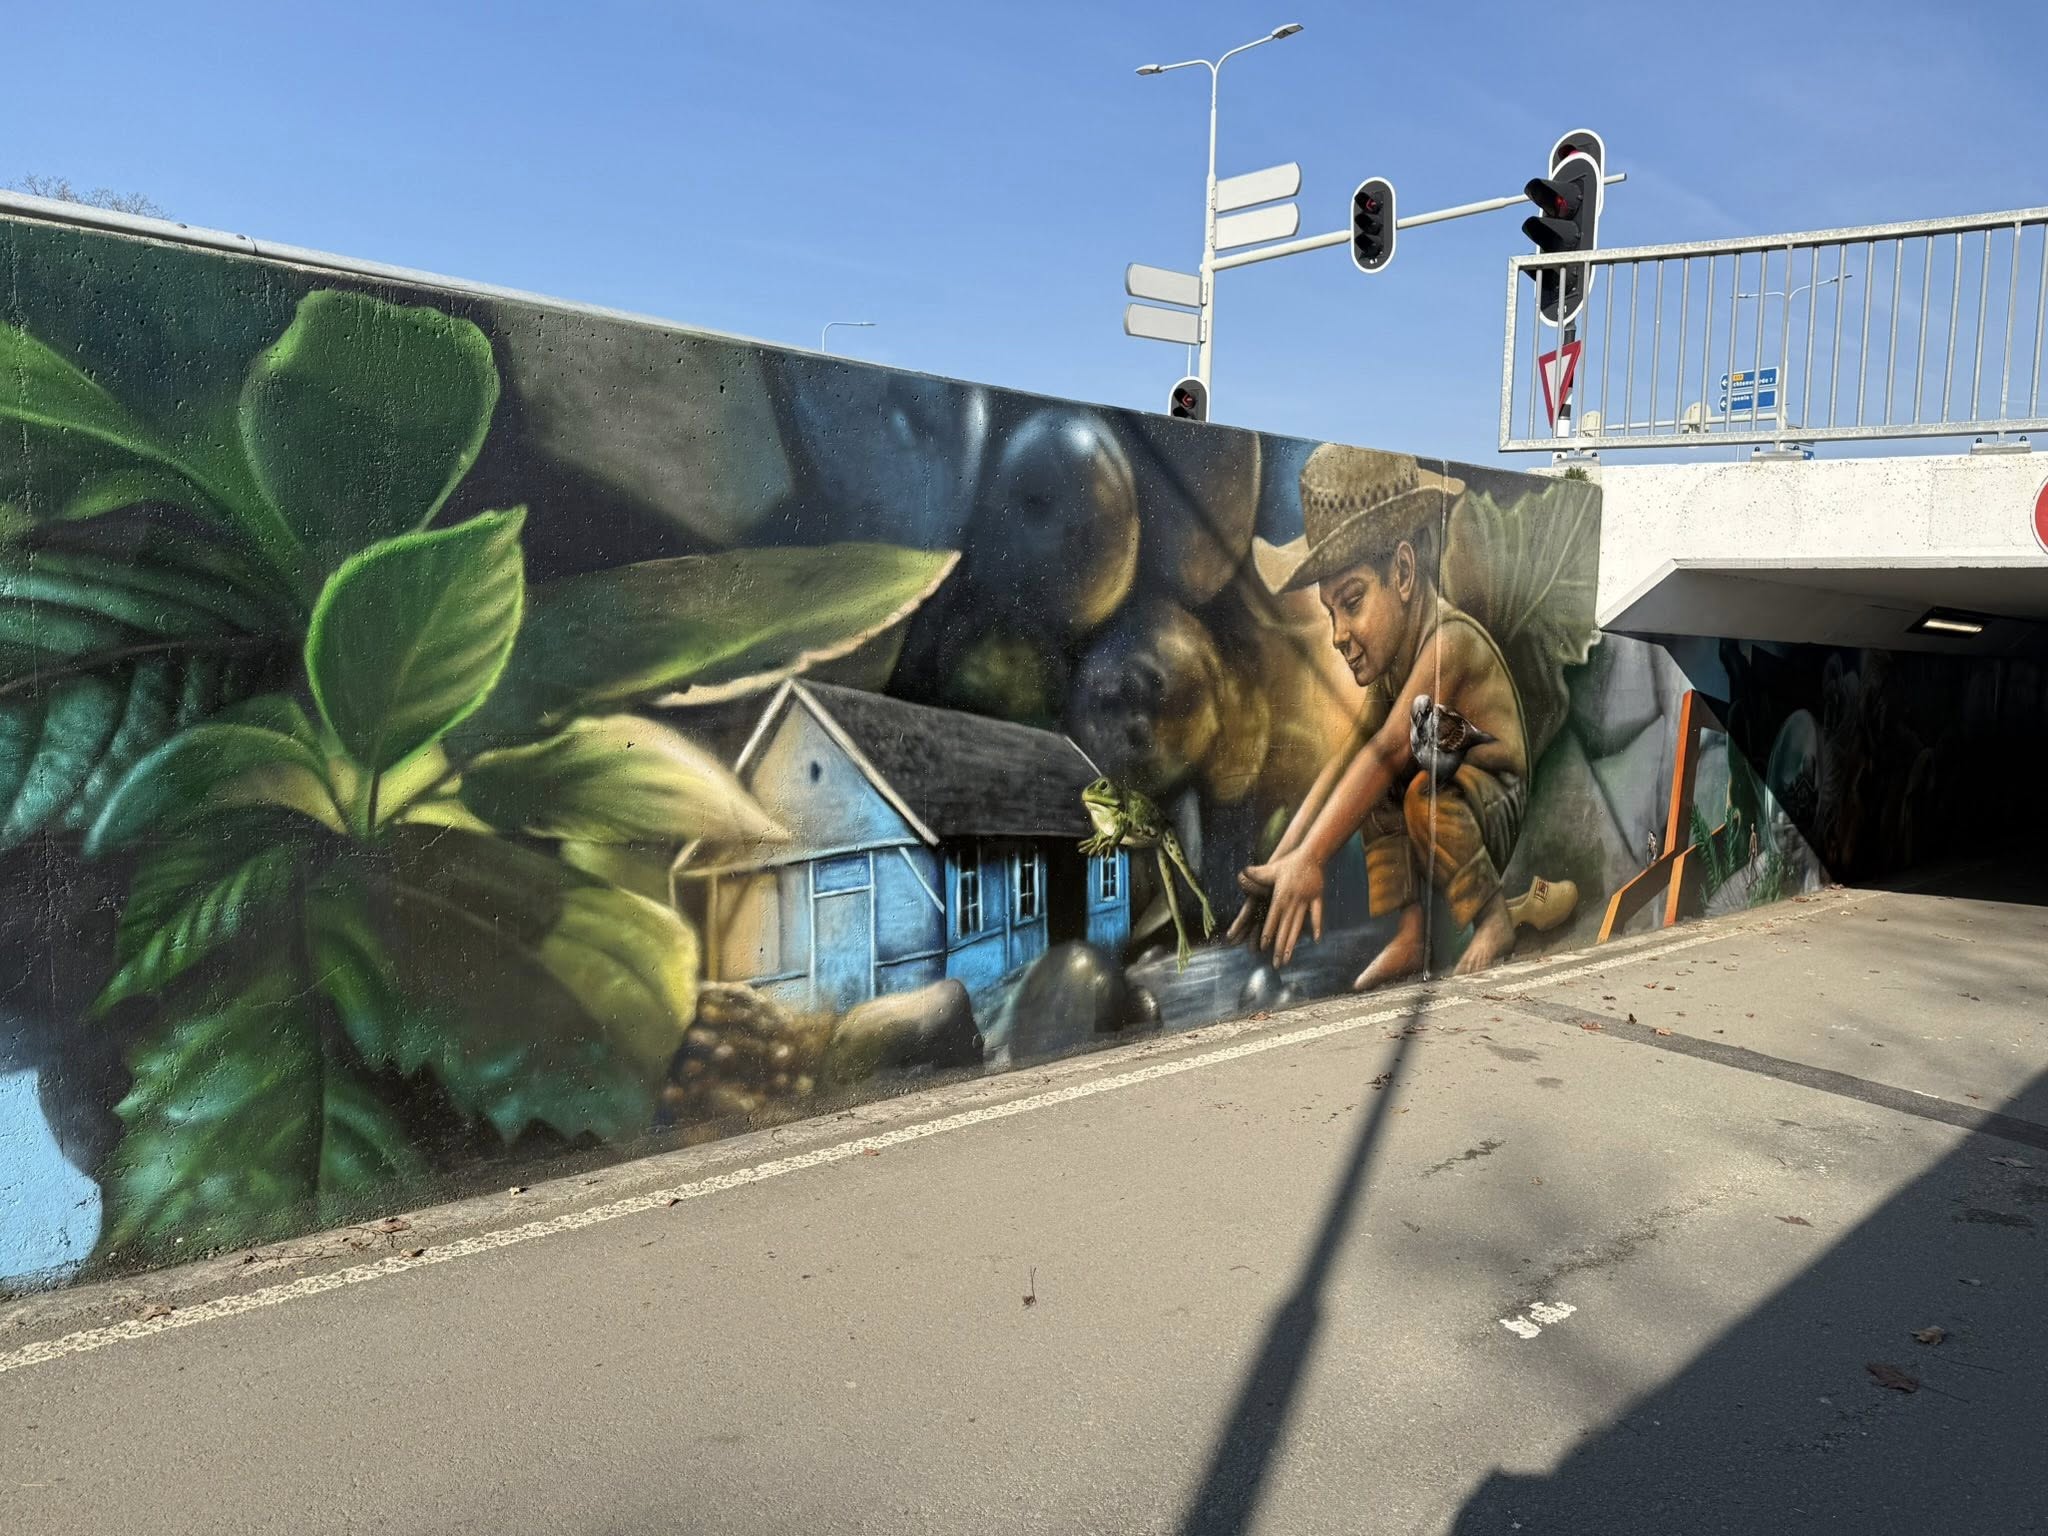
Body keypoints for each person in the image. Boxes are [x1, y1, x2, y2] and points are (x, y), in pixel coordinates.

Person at [1232, 446, 1528, 987]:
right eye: (1330, 612)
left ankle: (1494, 920)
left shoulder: (1448, 642)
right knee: (1372, 790)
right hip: (1451, 780)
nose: (1339, 635)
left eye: (1352, 602)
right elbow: (1350, 762)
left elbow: (1390, 748)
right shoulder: (1397, 666)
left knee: (1414, 792)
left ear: (1405, 573)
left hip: (1496, 794)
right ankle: (1413, 936)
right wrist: (1286, 858)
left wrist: (1314, 859)